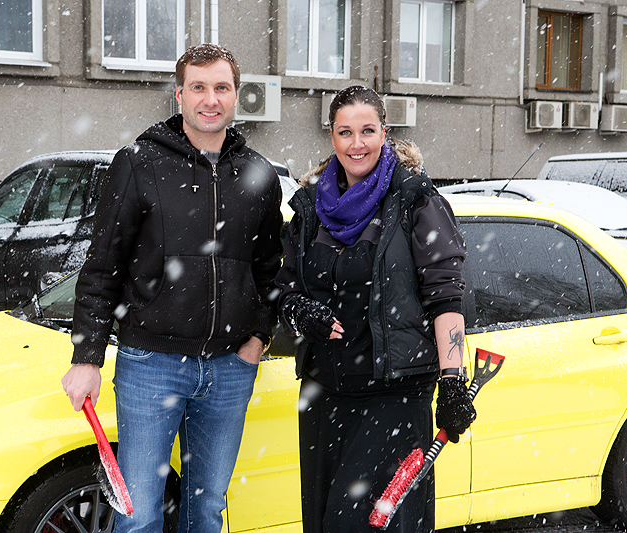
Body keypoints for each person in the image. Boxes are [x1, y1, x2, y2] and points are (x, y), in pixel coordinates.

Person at [61, 43, 283, 533]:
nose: (210, 99)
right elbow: (103, 267)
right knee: (138, 514)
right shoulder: (138, 162)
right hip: (151, 365)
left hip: (229, 368)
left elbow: (271, 269)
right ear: (179, 95)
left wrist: (258, 338)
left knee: (206, 510)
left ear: (236, 95)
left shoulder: (260, 174)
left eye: (221, 88)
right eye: (198, 87)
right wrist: (86, 357)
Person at [275, 85, 475, 533]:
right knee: (325, 523)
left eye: (367, 130)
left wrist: (452, 381)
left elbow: (446, 295)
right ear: (331, 136)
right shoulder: (310, 209)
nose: (357, 143)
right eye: (345, 132)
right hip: (325, 395)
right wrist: (299, 312)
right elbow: (283, 289)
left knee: (370, 524)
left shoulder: (415, 201)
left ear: (385, 132)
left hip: (394, 396)